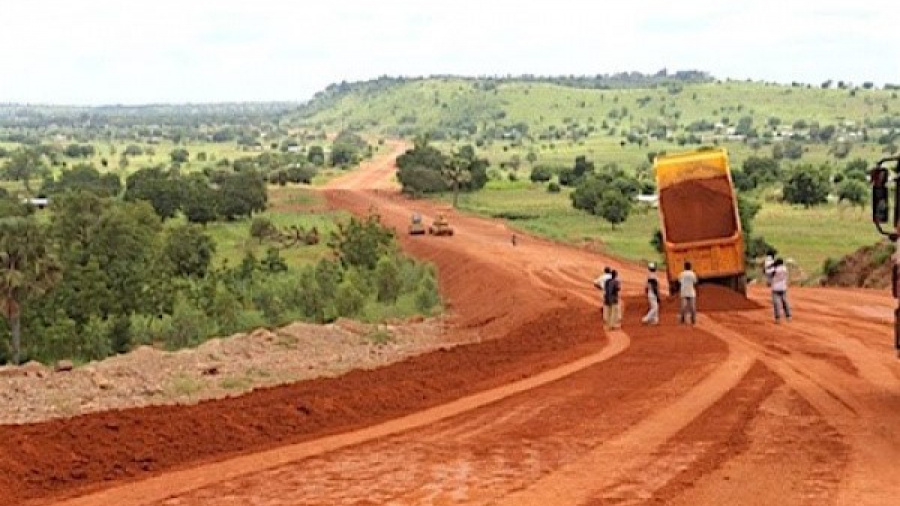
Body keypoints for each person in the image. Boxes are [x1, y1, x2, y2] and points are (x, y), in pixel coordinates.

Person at [771, 258, 792, 323]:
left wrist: (772, 266)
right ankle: (788, 316)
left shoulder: (775, 270)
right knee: (785, 302)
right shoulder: (785, 269)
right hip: (783, 287)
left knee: (776, 303)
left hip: (776, 288)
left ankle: (778, 318)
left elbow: (771, 274)